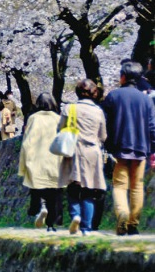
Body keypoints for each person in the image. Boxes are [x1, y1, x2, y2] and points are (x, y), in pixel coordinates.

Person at [102, 61, 155, 236]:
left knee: (119, 185)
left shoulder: (113, 96)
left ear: (123, 77)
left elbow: (105, 124)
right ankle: (133, 224)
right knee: (137, 186)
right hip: (141, 149)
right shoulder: (146, 100)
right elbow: (152, 126)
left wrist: (106, 145)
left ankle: (122, 213)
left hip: (119, 149)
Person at [58, 79, 107, 236]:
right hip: (92, 152)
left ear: (78, 92)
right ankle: (86, 228)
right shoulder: (98, 111)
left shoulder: (69, 108)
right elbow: (103, 136)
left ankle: (76, 216)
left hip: (74, 151)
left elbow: (60, 129)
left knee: (73, 188)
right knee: (89, 191)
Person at [18, 93, 63, 231]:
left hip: (36, 160)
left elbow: (27, 142)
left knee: (37, 189)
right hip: (55, 160)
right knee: (54, 193)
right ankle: (51, 224)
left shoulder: (33, 118)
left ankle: (41, 207)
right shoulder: (58, 119)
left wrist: (23, 166)